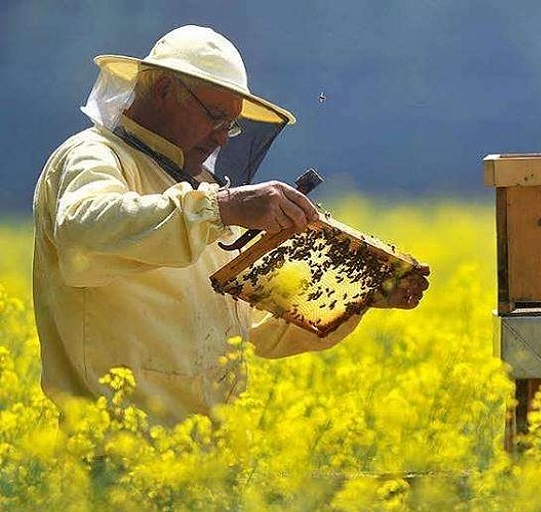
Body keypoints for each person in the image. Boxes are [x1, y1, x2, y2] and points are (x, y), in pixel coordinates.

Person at [32, 25, 428, 425]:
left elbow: (250, 327)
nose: (222, 139)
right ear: (166, 90)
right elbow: (83, 235)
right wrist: (221, 208)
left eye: (231, 126)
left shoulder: (195, 191)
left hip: (209, 460)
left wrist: (357, 296)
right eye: (216, 117)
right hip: (112, 455)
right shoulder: (92, 155)